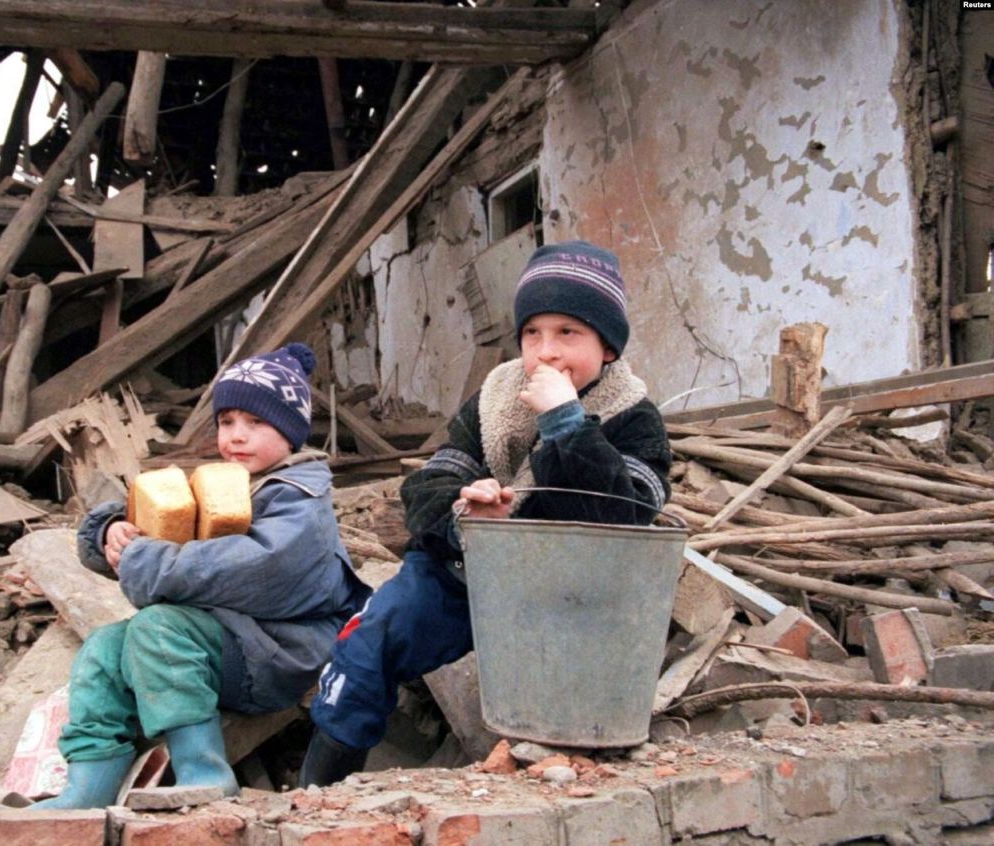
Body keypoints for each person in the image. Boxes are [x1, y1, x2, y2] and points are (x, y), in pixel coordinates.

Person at [300, 240, 672, 786]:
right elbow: (428, 484)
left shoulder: (633, 417)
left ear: (608, 348)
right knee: (370, 642)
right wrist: (465, 514)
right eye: (532, 334)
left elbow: (624, 515)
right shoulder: (494, 399)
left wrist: (567, 423)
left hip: (567, 596)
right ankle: (320, 795)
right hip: (465, 577)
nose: (546, 351)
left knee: (556, 732)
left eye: (568, 333)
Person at [35, 342, 371, 808]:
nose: (237, 435)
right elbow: (163, 525)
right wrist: (111, 533)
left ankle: (203, 772)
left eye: (256, 423)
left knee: (158, 627)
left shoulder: (299, 501)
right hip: (231, 641)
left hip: (282, 651)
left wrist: (142, 559)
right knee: (103, 649)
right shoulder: (226, 485)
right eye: (227, 422)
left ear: (292, 433)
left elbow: (253, 568)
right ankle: (87, 787)